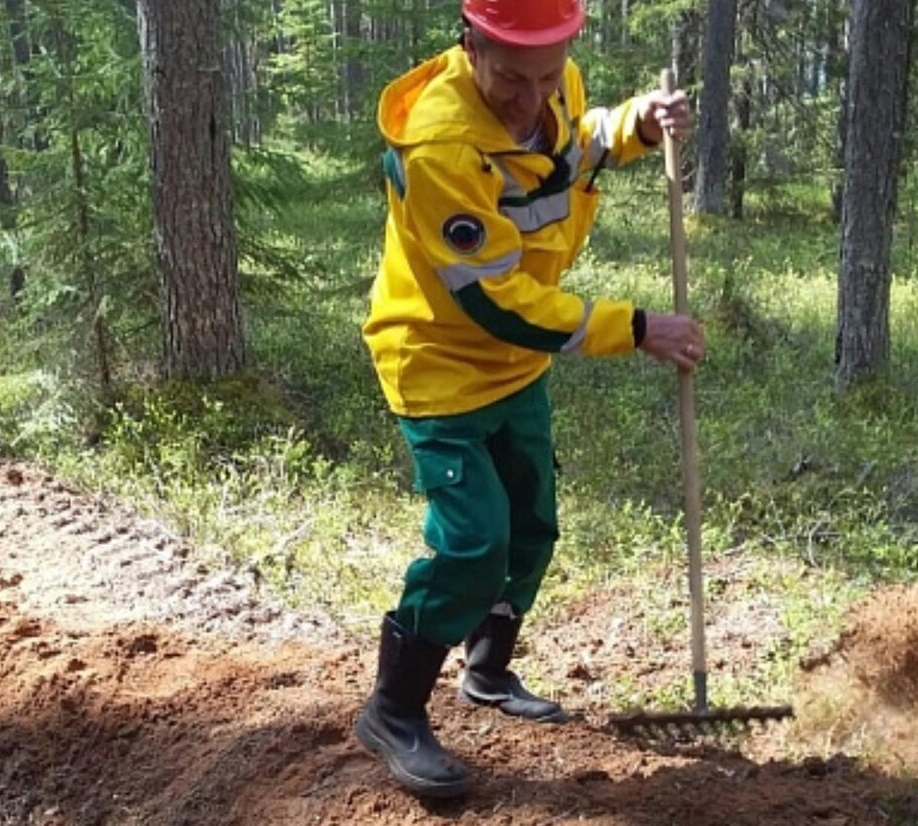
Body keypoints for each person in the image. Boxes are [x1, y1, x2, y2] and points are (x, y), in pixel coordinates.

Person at [355, 0, 704, 798]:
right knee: (475, 542)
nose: (531, 98)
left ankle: (486, 669)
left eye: (548, 76)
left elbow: (570, 151)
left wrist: (637, 128)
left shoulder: (555, 86)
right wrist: (636, 326)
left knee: (532, 525)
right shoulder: (442, 143)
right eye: (512, 78)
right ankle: (393, 709)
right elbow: (496, 299)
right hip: (439, 363)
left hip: (515, 367)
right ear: (471, 43)